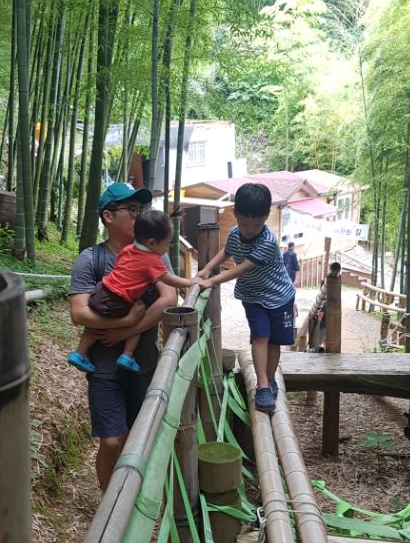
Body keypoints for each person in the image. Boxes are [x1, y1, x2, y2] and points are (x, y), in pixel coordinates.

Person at [68, 182, 177, 490]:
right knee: (112, 441)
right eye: (132, 209)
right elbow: (79, 313)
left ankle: (128, 501)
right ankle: (108, 503)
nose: (139, 215)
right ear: (108, 216)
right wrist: (124, 321)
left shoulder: (155, 253)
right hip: (103, 370)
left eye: (141, 209)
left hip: (144, 364)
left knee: (135, 439)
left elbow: (168, 299)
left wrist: (124, 331)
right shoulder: (91, 259)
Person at [193, 182, 295, 414]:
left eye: (256, 224)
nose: (249, 229)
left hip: (280, 297)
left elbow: (241, 268)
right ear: (235, 213)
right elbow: (227, 251)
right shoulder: (234, 233)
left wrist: (212, 281)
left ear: (266, 217)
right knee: (260, 337)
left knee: (274, 342)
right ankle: (263, 386)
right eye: (244, 223)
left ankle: (269, 379)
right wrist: (207, 268)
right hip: (253, 296)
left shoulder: (267, 242)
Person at [68, 208, 192, 374]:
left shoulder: (127, 249)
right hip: (120, 300)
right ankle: (127, 355)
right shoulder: (152, 260)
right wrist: (190, 282)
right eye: (168, 242)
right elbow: (169, 279)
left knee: (94, 327)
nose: (169, 246)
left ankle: (80, 353)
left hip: (101, 293)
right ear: (152, 243)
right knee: (136, 320)